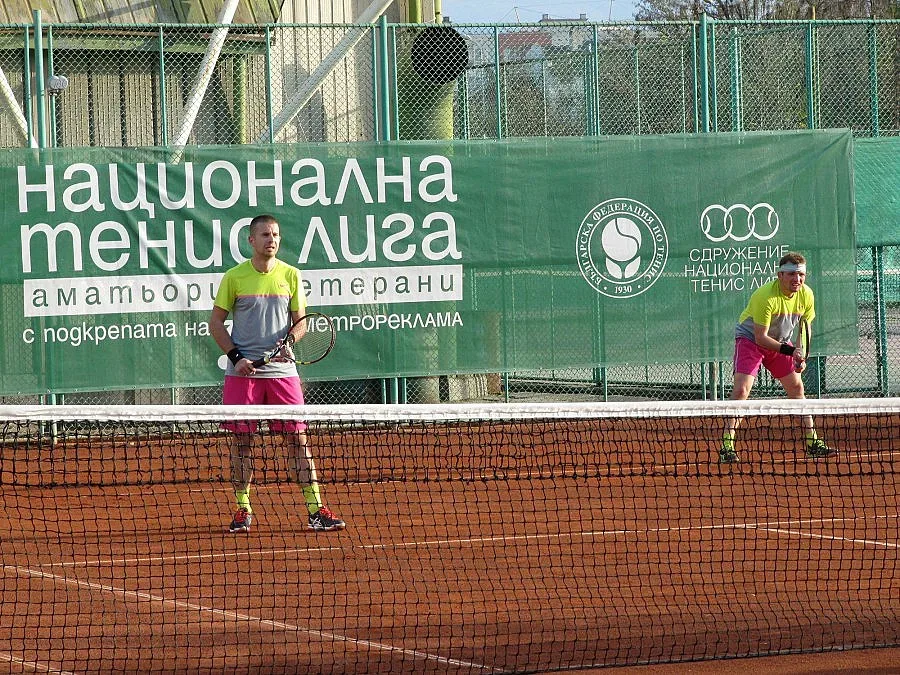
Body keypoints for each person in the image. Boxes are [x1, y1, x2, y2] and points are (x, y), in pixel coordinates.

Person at [209, 213, 345, 533]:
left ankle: (316, 510)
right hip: (242, 376)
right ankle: (243, 509)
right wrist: (236, 357)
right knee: (242, 442)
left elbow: (301, 324)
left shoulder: (291, 275)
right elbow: (215, 324)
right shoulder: (234, 277)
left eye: (276, 235)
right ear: (251, 240)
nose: (272, 240)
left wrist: (289, 342)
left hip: (283, 373)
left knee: (297, 440)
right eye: (265, 235)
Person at [721, 251, 836, 463]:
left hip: (781, 342)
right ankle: (727, 446)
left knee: (797, 388)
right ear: (780, 275)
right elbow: (761, 337)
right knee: (741, 390)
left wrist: (801, 354)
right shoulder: (765, 296)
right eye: (791, 274)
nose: (797, 279)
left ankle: (812, 442)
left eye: (801, 274)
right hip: (751, 341)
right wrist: (792, 352)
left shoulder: (806, 295)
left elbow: (805, 328)